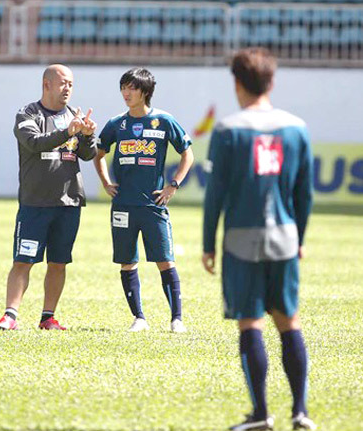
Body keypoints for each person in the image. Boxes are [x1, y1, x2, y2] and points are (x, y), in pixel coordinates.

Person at [202, 48, 316, 431]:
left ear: (236, 82)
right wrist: (299, 236)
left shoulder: (228, 129)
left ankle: (260, 415)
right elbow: (304, 193)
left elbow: (215, 194)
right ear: (272, 81)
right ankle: (300, 412)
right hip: (284, 236)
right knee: (289, 322)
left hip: (240, 239)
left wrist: (207, 243)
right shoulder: (297, 127)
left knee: (250, 325)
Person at [0, 64, 97, 331]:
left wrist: (87, 135)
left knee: (58, 263)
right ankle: (10, 315)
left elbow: (87, 154)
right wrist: (68, 132)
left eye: (71, 84)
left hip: (68, 201)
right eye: (63, 83)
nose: (68, 89)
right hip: (35, 202)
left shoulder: (75, 114)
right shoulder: (28, 113)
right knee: (23, 261)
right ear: (47, 84)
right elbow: (35, 143)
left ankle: (48, 317)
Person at [93, 67, 194, 333]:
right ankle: (139, 318)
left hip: (153, 206)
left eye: (132, 88)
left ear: (145, 91)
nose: (126, 93)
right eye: (123, 87)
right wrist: (106, 183)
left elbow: (188, 154)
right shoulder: (117, 124)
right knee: (128, 261)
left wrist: (173, 186)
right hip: (123, 205)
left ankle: (177, 319)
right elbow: (99, 153)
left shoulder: (164, 121)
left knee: (165, 260)